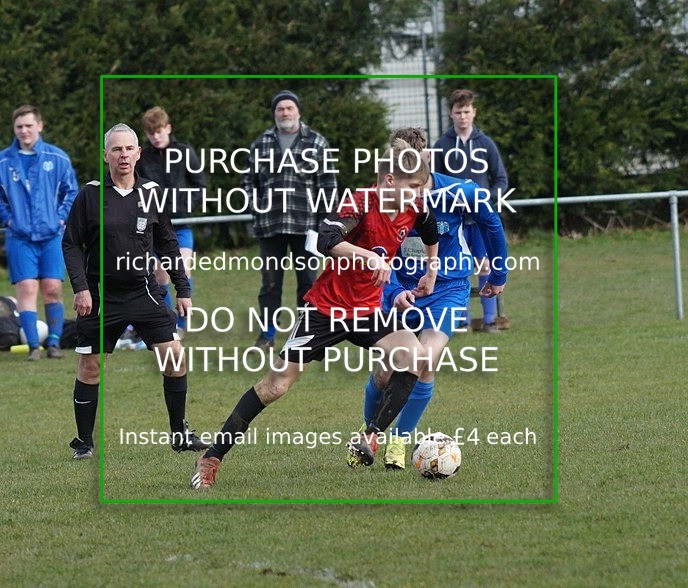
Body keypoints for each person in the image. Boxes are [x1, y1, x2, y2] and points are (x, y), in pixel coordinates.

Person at [191, 142, 439, 489]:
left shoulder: (414, 205)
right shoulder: (361, 202)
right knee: (276, 385)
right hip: (326, 308)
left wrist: (431, 268)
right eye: (413, 187)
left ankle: (370, 437)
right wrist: (369, 258)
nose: (419, 194)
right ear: (389, 179)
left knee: (415, 358)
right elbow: (327, 239)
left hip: (367, 310)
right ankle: (211, 457)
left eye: (421, 188)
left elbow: (430, 228)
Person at [352, 127, 508, 471]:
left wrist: (498, 275)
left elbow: (491, 224)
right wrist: (393, 293)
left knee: (425, 361)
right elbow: (374, 252)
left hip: (447, 288)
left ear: (425, 160)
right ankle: (369, 432)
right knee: (385, 372)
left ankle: (398, 441)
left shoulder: (459, 190)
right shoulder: (381, 199)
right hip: (396, 291)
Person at [62, 123, 207, 460]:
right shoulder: (90, 195)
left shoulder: (152, 193)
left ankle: (180, 433)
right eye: (116, 149)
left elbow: (168, 244)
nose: (123, 155)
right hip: (101, 295)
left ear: (138, 153)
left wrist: (182, 288)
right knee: (91, 366)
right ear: (105, 156)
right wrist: (81, 288)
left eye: (129, 149)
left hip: (143, 292)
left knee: (174, 358)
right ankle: (84, 442)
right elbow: (70, 244)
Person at [241, 90, 337, 351]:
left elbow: (328, 186)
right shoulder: (260, 144)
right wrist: (257, 207)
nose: (285, 112)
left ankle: (305, 335)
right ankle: (267, 336)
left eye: (289, 108)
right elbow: (248, 181)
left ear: (298, 112)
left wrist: (325, 224)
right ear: (275, 113)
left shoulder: (317, 143)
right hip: (270, 227)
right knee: (270, 283)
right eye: (280, 109)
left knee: (308, 281)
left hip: (306, 227)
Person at [0, 105, 78, 360]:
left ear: (40, 126)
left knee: (52, 287)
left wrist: (60, 219)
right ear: (14, 130)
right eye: (19, 127)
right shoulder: (1, 162)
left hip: (52, 236)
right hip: (20, 238)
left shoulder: (57, 159)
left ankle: (55, 343)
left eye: (28, 125)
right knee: (26, 288)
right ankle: (34, 347)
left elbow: (71, 192)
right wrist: (8, 220)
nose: (24, 131)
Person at [433, 89, 508, 333]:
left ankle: (489, 321)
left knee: (485, 265)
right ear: (451, 114)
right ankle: (460, 321)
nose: (463, 116)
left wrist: (486, 198)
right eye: (458, 112)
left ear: (474, 112)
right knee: (456, 267)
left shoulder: (485, 144)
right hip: (454, 220)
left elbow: (500, 180)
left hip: (480, 221)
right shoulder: (441, 145)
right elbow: (432, 183)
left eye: (467, 111)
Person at [136, 106, 207, 338]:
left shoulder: (185, 153)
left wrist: (185, 207)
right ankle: (166, 321)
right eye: (150, 133)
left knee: (183, 271)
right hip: (154, 227)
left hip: (181, 225)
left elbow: (201, 185)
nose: (155, 137)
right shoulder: (142, 158)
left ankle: (181, 324)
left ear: (168, 128)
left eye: (159, 131)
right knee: (160, 276)